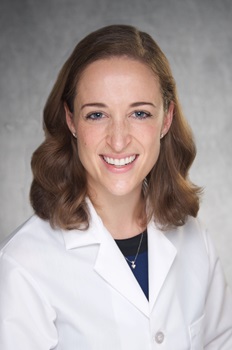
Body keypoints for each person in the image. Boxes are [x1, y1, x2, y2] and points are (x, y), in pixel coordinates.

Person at [0, 24, 231, 350]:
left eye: (139, 113)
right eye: (97, 115)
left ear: (166, 120)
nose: (119, 140)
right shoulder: (23, 264)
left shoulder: (195, 239)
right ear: (71, 121)